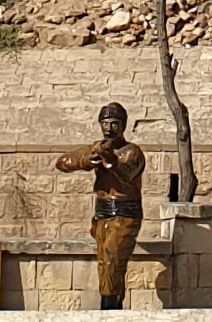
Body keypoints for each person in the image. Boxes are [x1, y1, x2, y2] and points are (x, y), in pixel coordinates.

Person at [53, 103, 146, 310]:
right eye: (105, 123)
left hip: (124, 213)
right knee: (105, 262)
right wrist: (87, 160)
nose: (109, 128)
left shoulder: (132, 152)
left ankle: (108, 308)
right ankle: (114, 306)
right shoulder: (98, 147)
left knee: (113, 258)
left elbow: (125, 174)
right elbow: (63, 162)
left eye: (114, 123)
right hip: (102, 213)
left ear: (123, 126)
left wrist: (110, 159)